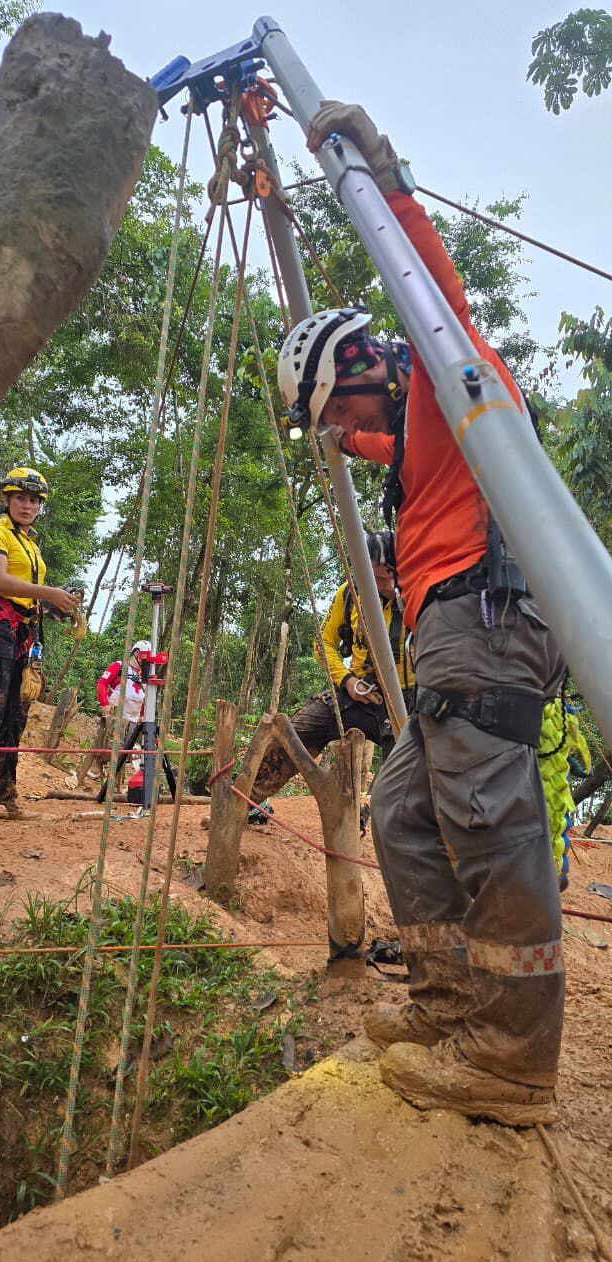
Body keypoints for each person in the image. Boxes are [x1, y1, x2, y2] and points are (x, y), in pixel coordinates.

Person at [274, 102, 565, 1126]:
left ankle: (515, 1055)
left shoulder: (448, 378)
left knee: (488, 820)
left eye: (341, 412)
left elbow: (430, 278)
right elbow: (367, 461)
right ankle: (450, 1003)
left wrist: (380, 173)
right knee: (402, 812)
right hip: (447, 636)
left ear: (367, 369)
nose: (345, 438)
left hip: (487, 620)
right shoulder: (405, 451)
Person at [250, 531, 412, 809]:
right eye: (376, 578)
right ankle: (248, 801)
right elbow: (323, 643)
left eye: (386, 578)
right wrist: (347, 681)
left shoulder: (424, 594)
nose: (384, 585)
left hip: (409, 703)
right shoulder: (350, 593)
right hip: (360, 695)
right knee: (296, 732)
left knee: (403, 783)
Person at [0, 467, 77, 819]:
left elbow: (27, 593)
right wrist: (47, 591)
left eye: (33, 500)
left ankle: (2, 793)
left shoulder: (30, 544)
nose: (26, 505)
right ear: (7, 500)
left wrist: (53, 604)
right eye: (20, 498)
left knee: (14, 715)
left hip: (22, 632)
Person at [96, 643, 149, 788]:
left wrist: (143, 715)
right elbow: (102, 683)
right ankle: (109, 786)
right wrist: (104, 703)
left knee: (125, 753)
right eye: (144, 656)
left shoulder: (145, 675)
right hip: (117, 716)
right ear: (137, 653)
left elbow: (146, 698)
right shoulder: (118, 667)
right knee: (114, 751)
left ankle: (117, 786)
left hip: (133, 720)